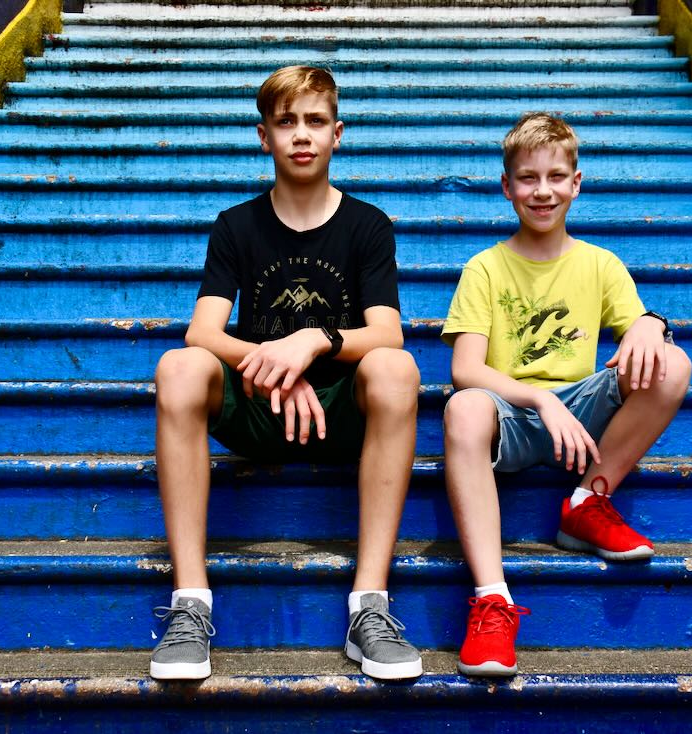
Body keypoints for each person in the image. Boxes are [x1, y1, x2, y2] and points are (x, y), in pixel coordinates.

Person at [149, 66, 423, 681]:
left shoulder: (367, 226)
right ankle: (190, 607)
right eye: (286, 122)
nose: (302, 135)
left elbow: (387, 332)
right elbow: (202, 332)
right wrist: (275, 367)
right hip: (257, 406)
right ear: (264, 136)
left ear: (338, 134)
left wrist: (310, 342)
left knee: (397, 370)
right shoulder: (235, 226)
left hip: (341, 414)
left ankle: (369, 607)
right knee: (179, 367)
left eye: (315, 122)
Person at [441, 113, 692, 677]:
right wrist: (541, 400)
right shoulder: (485, 268)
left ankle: (585, 503)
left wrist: (651, 323)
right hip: (511, 416)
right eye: (528, 178)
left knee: (671, 363)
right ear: (507, 188)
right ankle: (492, 600)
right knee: (462, 407)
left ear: (576, 183)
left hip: (583, 418)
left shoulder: (600, 264)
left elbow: (639, 337)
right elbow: (465, 369)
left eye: (556, 176)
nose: (543, 190)